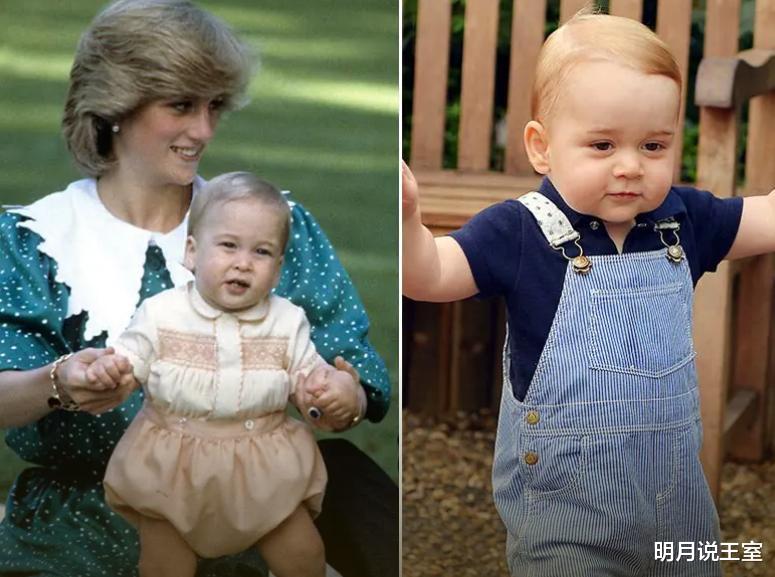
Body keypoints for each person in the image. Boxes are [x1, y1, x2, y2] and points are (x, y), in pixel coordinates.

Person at [0, 1, 395, 576]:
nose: (204, 130)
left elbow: (354, 372)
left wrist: (341, 394)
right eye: (181, 105)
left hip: (258, 516)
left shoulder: (271, 224)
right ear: (116, 104)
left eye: (214, 106)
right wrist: (58, 382)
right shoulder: (34, 241)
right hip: (83, 529)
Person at [403, 12, 775, 577]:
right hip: (564, 514)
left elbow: (767, 218)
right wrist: (407, 221)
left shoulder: (683, 219)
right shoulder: (519, 232)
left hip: (678, 514)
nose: (630, 167)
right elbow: (427, 274)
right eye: (602, 145)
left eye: (654, 145)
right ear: (542, 147)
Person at [85, 172, 363, 577]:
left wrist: (334, 393)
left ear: (279, 266)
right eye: (229, 245)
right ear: (193, 252)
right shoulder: (162, 314)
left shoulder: (287, 322)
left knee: (302, 554)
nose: (243, 262)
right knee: (165, 563)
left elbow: (311, 383)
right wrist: (112, 370)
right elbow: (129, 359)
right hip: (172, 468)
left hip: (264, 470)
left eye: (262, 252)